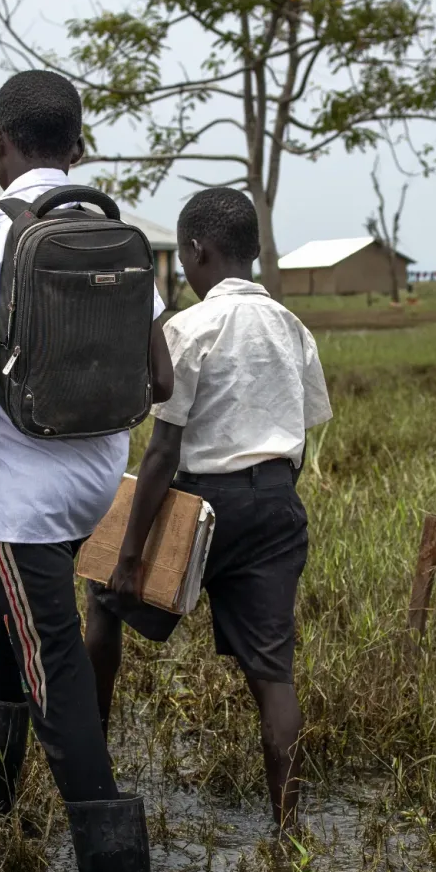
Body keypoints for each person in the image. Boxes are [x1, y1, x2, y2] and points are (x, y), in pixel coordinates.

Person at [0, 70, 173, 872]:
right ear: (78, 148)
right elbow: (161, 377)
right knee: (12, 612)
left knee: (53, 666)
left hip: (24, 494)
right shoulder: (115, 235)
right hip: (101, 477)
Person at [85, 187, 331, 832]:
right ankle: (288, 829)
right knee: (273, 675)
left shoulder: (188, 328)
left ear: (196, 251)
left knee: (104, 599)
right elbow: (303, 427)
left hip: (201, 501)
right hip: (277, 504)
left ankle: (93, 770)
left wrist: (130, 556)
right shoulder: (291, 326)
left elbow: (163, 449)